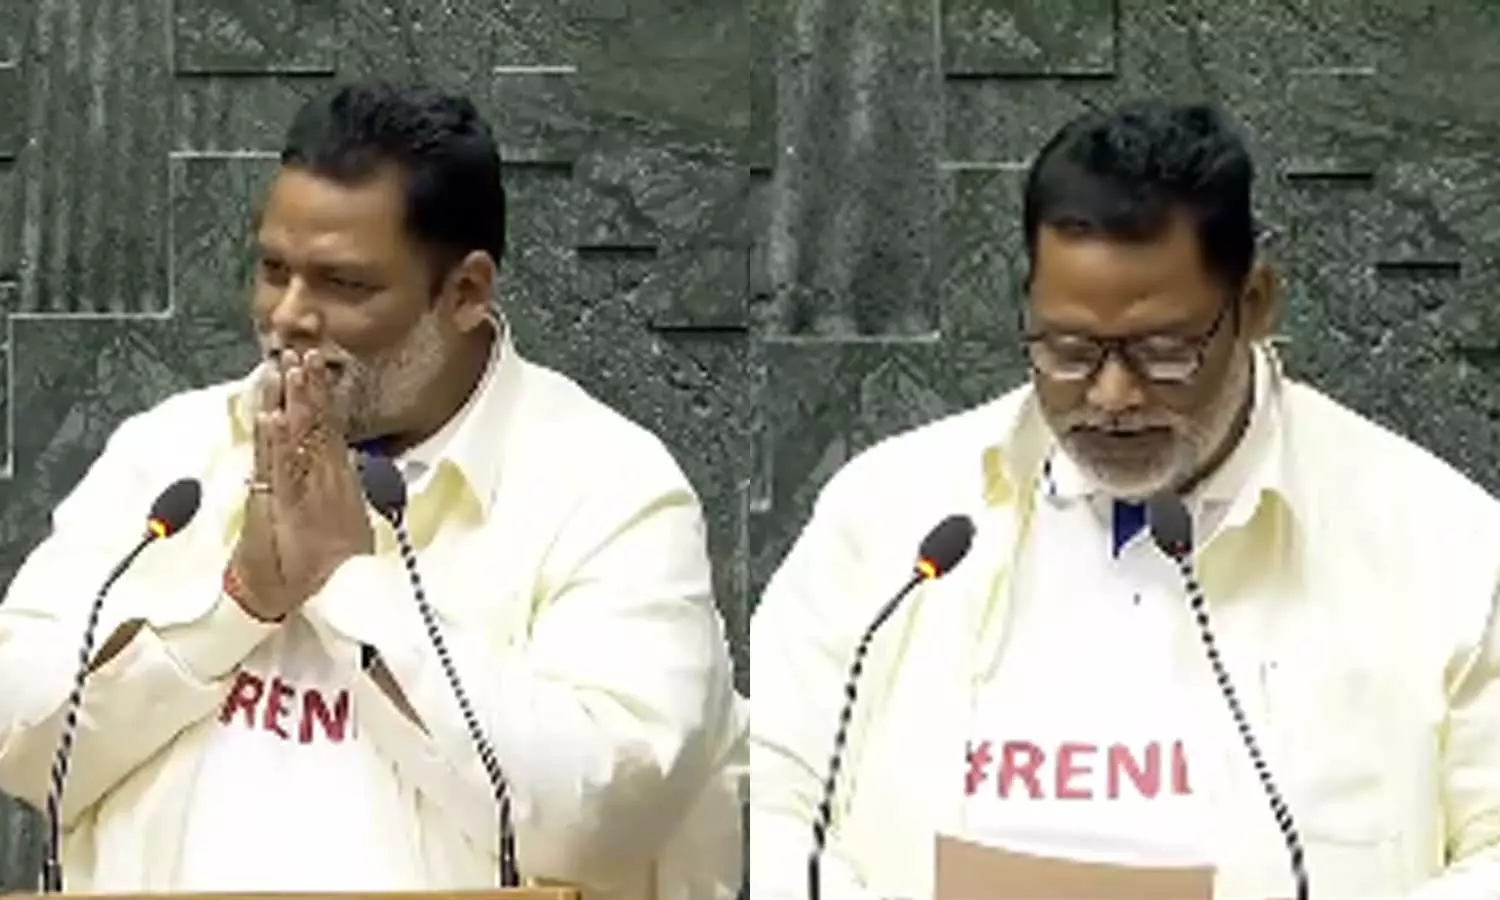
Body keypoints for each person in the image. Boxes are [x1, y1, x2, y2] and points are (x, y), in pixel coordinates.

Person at [0, 81, 745, 900]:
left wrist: (350, 582)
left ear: (464, 292)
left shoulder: (607, 491)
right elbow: (20, 740)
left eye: (343, 285)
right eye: (273, 270)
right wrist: (240, 603)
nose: (287, 315)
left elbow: (605, 812)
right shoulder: (175, 455)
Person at [750, 99, 1500, 899]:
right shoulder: (899, 512)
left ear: (1253, 305)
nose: (1110, 396)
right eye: (1068, 349)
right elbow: (761, 788)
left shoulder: (1440, 543)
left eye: (1164, 352)